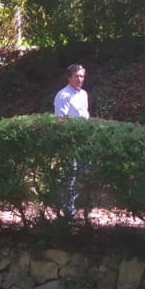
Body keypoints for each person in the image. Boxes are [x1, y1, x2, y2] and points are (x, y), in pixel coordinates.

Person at [51, 64, 89, 213]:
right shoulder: (63, 95)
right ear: (69, 78)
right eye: (77, 76)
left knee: (83, 172)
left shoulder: (84, 94)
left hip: (84, 140)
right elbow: (60, 120)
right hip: (70, 141)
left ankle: (75, 205)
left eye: (82, 76)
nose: (80, 79)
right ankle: (67, 210)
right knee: (70, 173)